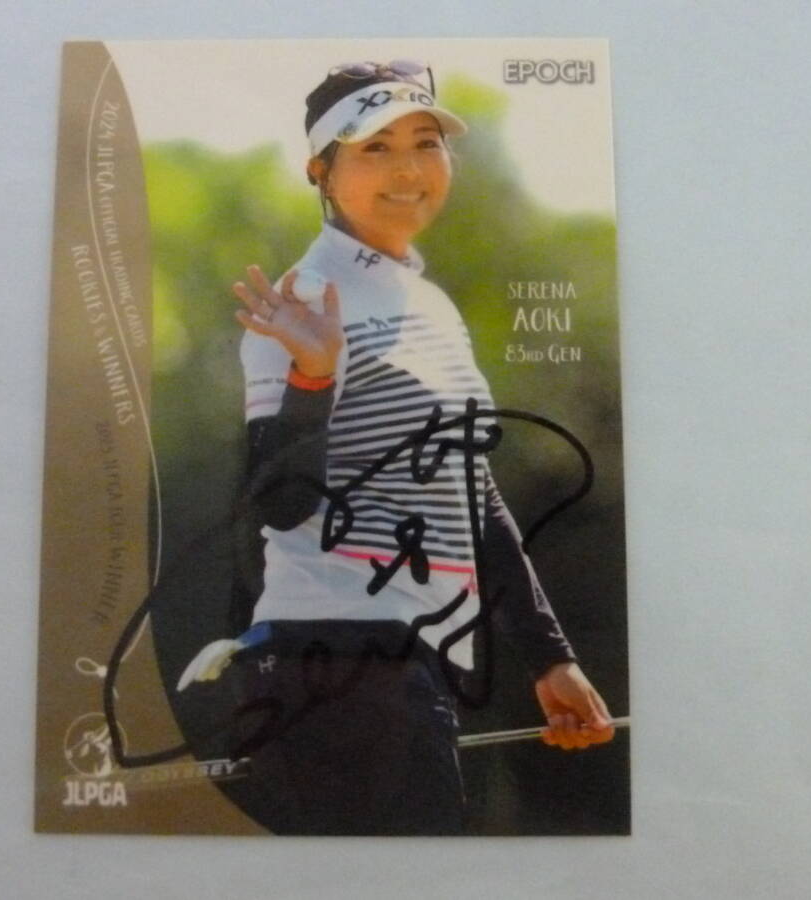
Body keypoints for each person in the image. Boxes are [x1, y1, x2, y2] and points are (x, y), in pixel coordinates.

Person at [182, 60, 614, 835]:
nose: (408, 168)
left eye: (425, 141)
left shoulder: (428, 304)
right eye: (374, 148)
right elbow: (279, 505)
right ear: (320, 171)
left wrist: (550, 656)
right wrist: (313, 377)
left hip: (399, 662)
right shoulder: (302, 302)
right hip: (336, 667)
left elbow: (470, 492)